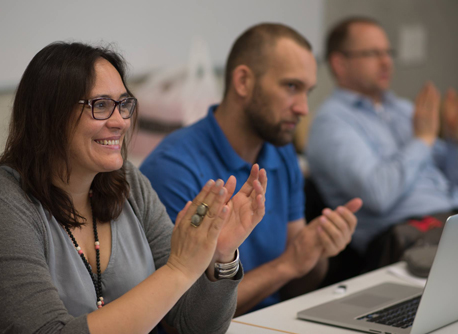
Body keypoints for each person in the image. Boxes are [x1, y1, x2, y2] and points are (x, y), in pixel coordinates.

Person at [0, 42, 268, 333]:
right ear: (48, 117)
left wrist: (222, 257)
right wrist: (179, 270)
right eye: (101, 105)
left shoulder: (129, 183)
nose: (120, 121)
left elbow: (194, 324)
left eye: (124, 104)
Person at [140, 23, 363, 315]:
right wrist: (287, 264)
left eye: (308, 91)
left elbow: (295, 282)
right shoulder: (173, 167)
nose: (303, 108)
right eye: (291, 87)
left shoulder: (281, 151)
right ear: (243, 81)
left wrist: (318, 250)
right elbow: (181, 317)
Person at [306, 17, 458, 257]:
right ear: (339, 64)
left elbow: (449, 183)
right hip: (405, 240)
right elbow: (377, 195)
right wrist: (423, 140)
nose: (386, 62)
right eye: (372, 53)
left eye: (388, 52)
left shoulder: (401, 109)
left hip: (449, 221)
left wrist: (454, 139)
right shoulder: (331, 123)